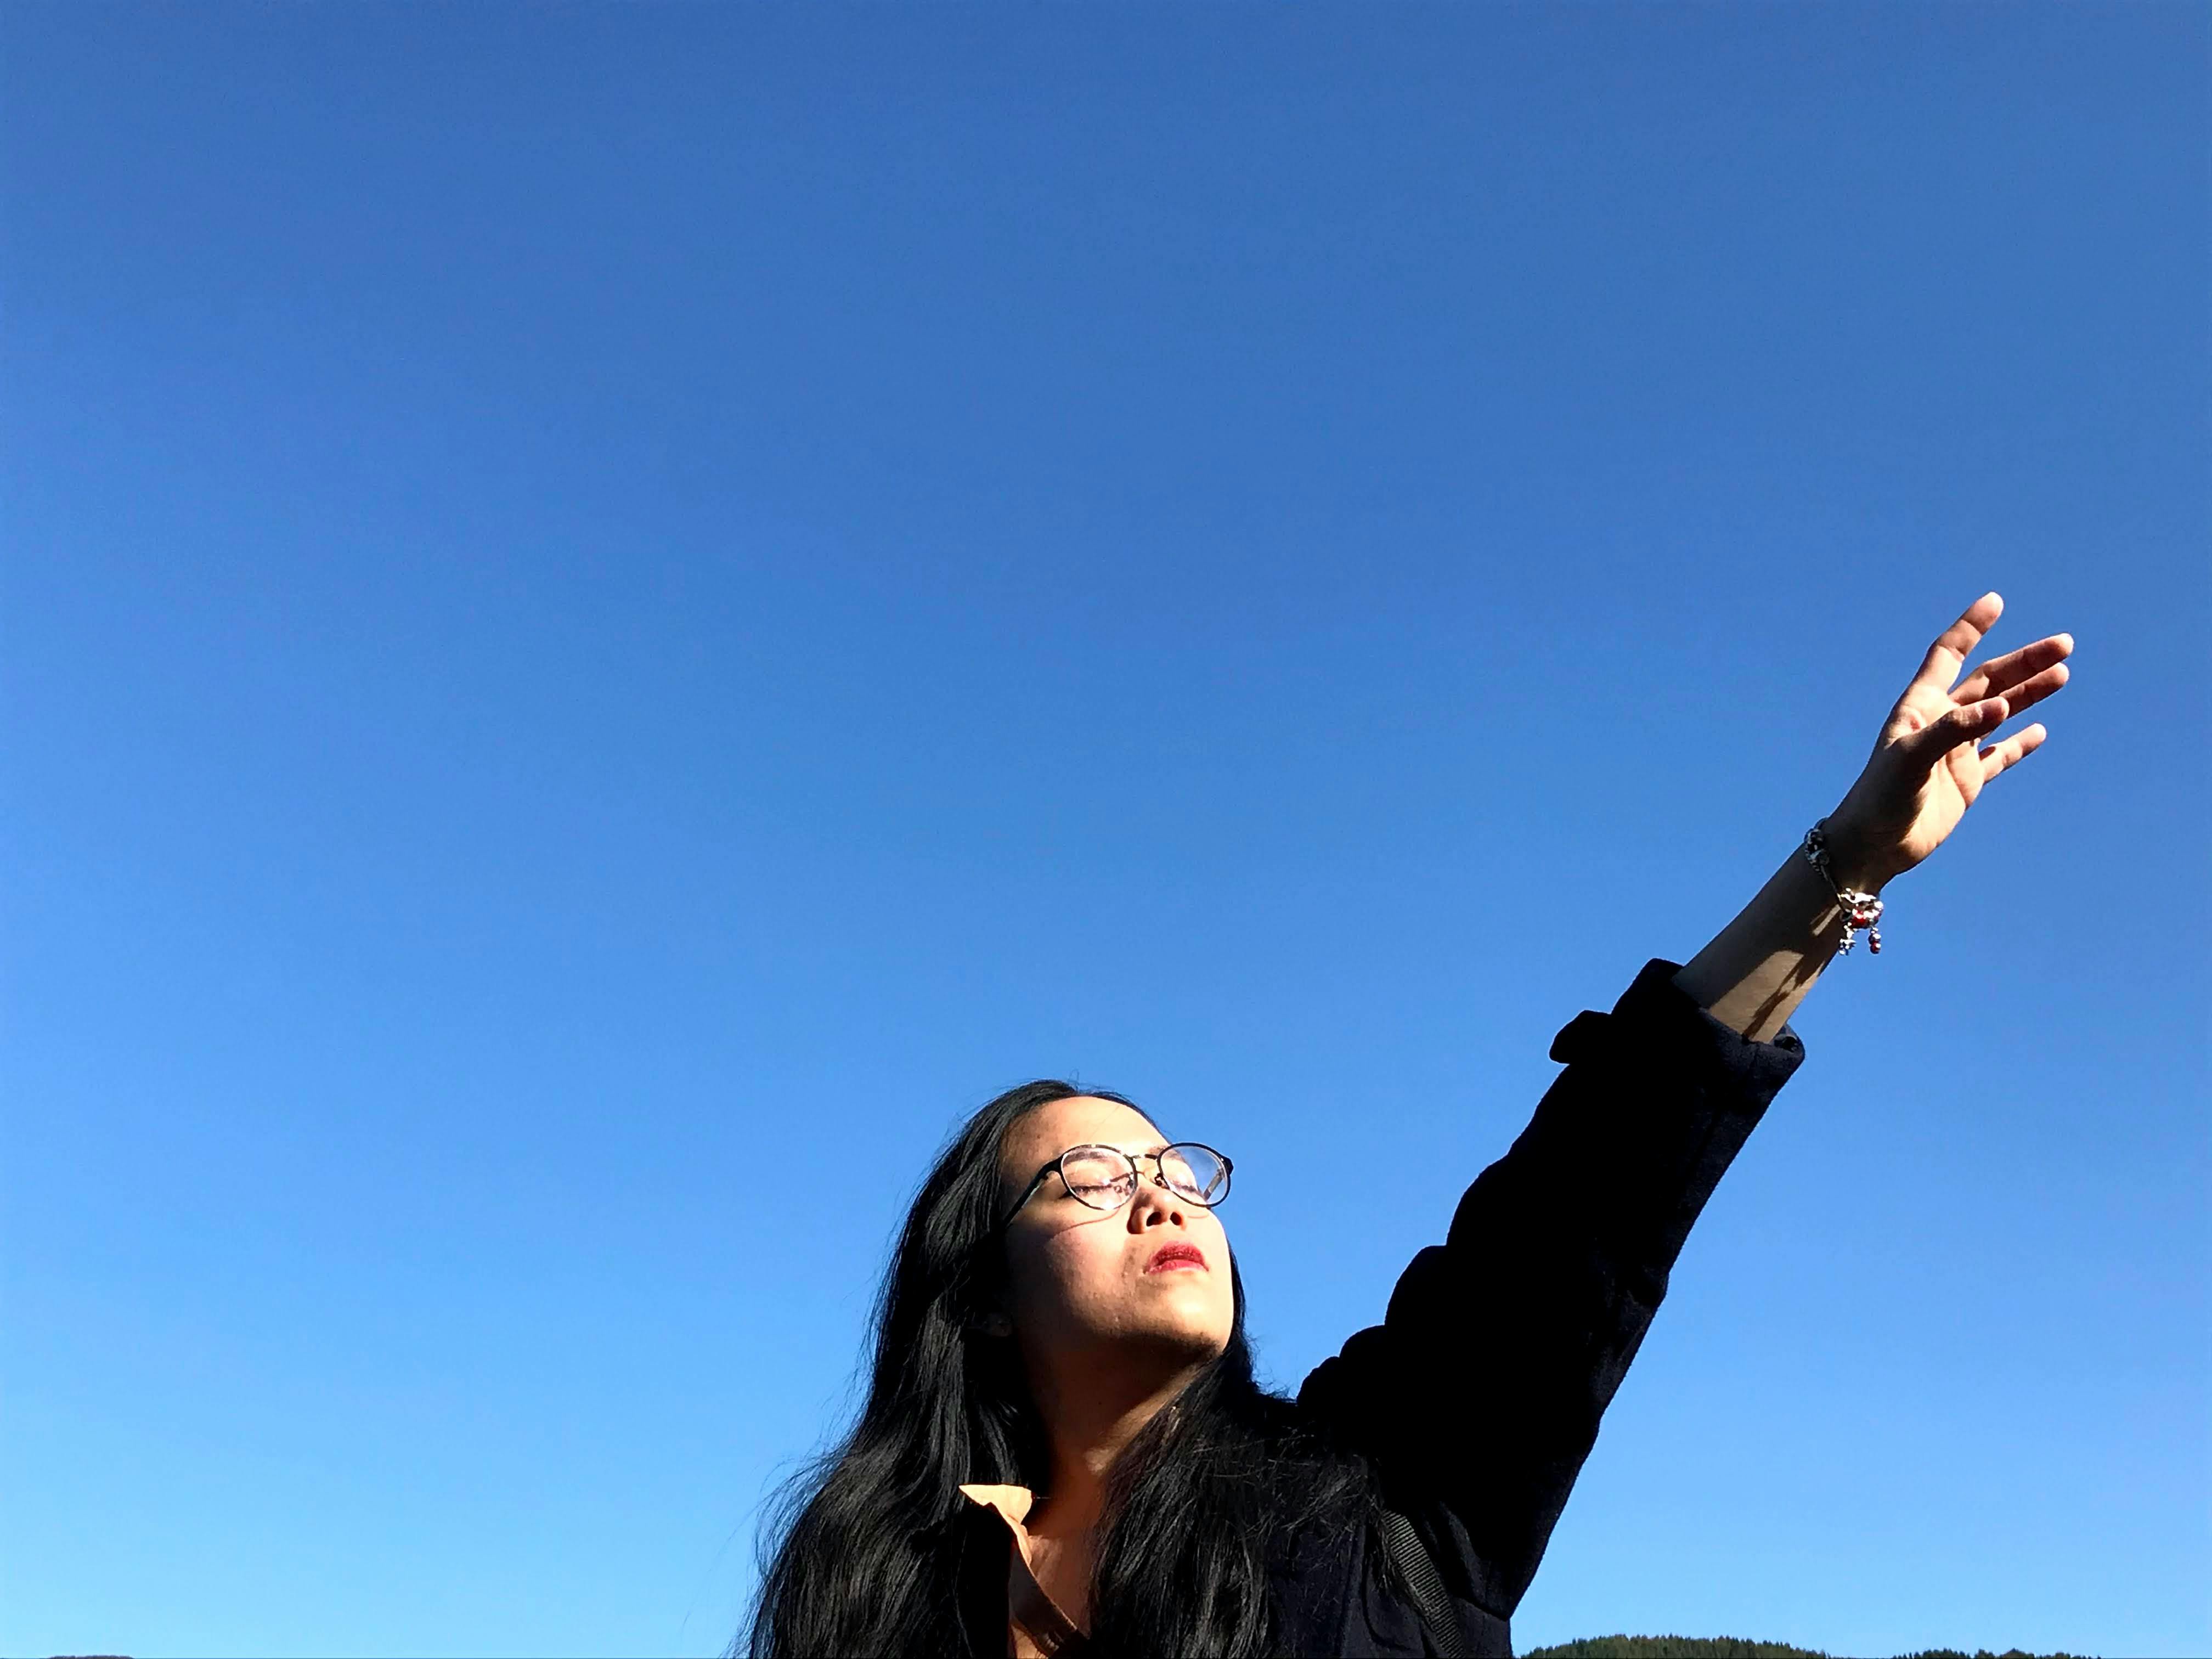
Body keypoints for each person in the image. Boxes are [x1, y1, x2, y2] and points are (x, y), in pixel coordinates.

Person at [740, 594, 2074, 1659]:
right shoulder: (883, 1580)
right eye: (1086, 1178)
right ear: (978, 1295)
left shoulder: (1381, 1485)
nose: (1160, 1195)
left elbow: (1588, 1203)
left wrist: (1844, 863)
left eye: (1172, 1165)